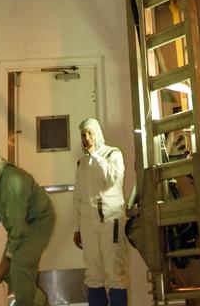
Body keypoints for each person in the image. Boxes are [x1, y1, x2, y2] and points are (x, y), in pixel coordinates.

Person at [0, 152, 55, 306]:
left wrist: (7, 259)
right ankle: (31, 302)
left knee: (18, 267)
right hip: (21, 226)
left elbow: (18, 226)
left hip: (39, 222)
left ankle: (40, 303)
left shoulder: (12, 181)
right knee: (7, 273)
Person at [72, 117, 129, 306]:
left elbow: (113, 179)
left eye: (90, 134)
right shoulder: (82, 163)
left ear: (97, 134)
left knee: (115, 271)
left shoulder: (113, 154)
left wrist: (96, 156)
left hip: (110, 220)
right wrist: (77, 227)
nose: (86, 138)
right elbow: (78, 197)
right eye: (83, 135)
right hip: (89, 224)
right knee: (93, 273)